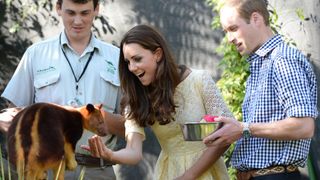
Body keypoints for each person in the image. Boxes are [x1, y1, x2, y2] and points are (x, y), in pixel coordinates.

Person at [81, 24, 233, 180]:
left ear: (158, 54)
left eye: (137, 59)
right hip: (170, 174)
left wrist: (189, 176)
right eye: (127, 62)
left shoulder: (199, 80)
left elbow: (227, 133)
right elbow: (134, 152)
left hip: (206, 172)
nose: (132, 68)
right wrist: (110, 154)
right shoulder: (137, 97)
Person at [0, 0, 124, 179]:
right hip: (45, 168)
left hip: (98, 170)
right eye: (71, 13)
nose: (78, 21)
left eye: (84, 13)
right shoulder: (35, 54)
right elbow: (12, 118)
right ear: (58, 9)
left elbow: (133, 127)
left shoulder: (118, 58)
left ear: (97, 9)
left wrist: (97, 119)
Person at [202, 0, 318, 180]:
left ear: (256, 19)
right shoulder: (261, 65)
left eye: (233, 28)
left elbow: (304, 126)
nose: (229, 39)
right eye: (226, 32)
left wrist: (243, 128)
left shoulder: (282, 60)